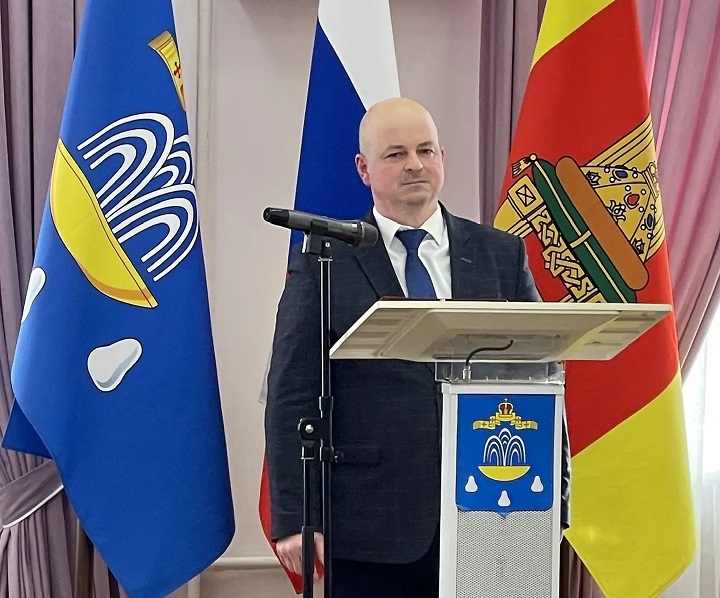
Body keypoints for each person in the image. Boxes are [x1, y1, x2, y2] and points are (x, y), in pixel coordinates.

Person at [265, 97, 570, 598]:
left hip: (496, 511)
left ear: (442, 157)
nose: (414, 164)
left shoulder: (500, 253)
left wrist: (557, 495)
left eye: (426, 150)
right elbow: (291, 393)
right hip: (371, 526)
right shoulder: (325, 262)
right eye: (396, 154)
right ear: (364, 169)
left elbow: (542, 375)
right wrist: (296, 515)